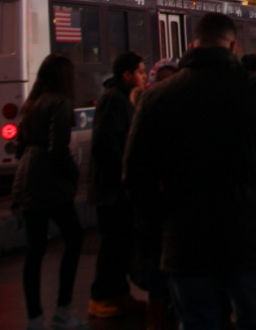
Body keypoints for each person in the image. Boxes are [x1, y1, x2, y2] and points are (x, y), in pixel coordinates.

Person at [125, 12, 256, 330]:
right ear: (233, 46)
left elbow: (136, 177)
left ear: (192, 45)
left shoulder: (156, 98)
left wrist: (161, 225)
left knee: (196, 322)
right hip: (248, 234)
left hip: (186, 240)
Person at [11, 55, 86, 330]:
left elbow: (21, 147)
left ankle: (35, 318)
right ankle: (63, 311)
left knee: (35, 248)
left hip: (28, 178)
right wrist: (74, 174)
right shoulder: (61, 102)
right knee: (74, 237)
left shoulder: (33, 103)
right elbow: (59, 149)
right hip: (50, 182)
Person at [88, 52, 146, 319]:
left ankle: (118, 293)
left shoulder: (123, 98)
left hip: (117, 189)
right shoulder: (114, 100)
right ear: (127, 75)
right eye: (141, 72)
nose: (144, 77)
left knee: (121, 243)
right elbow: (105, 144)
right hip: (112, 190)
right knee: (112, 244)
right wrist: (123, 173)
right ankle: (101, 297)